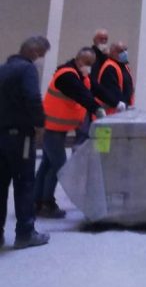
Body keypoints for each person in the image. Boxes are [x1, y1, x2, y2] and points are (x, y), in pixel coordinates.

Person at [34, 46, 107, 218]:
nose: (89, 67)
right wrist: (96, 109)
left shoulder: (80, 75)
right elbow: (81, 94)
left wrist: (116, 101)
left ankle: (37, 202)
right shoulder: (66, 75)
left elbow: (95, 89)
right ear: (78, 59)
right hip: (51, 128)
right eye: (87, 63)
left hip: (57, 129)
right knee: (60, 167)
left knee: (47, 165)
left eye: (91, 64)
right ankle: (46, 203)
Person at [0, 35, 51, 249]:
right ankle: (25, 233)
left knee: (0, 186)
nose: (40, 58)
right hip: (20, 137)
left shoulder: (2, 68)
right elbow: (32, 98)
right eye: (41, 54)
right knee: (24, 184)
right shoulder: (27, 69)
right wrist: (40, 124)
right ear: (33, 51)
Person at [74, 29, 110, 145]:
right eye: (101, 38)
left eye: (105, 39)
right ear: (94, 40)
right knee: (83, 134)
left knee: (102, 136)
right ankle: (79, 161)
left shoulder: (107, 59)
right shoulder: (87, 55)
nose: (103, 41)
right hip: (86, 101)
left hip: (102, 102)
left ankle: (101, 160)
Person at [94, 41, 132, 114]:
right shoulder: (110, 68)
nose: (125, 53)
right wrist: (123, 105)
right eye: (121, 51)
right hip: (111, 113)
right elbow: (112, 92)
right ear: (113, 52)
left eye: (126, 50)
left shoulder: (124, 67)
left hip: (121, 112)